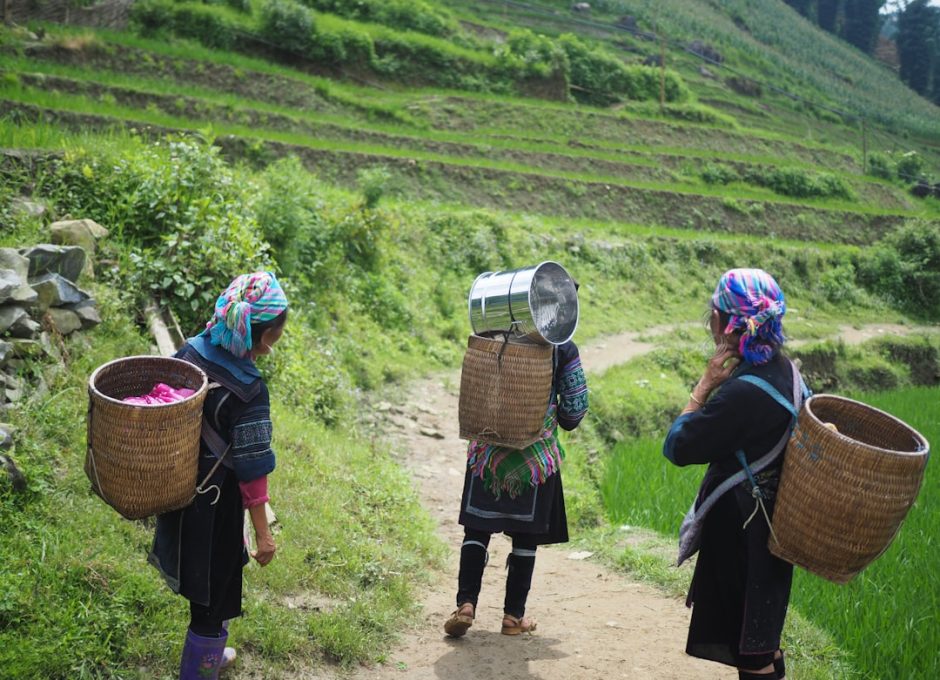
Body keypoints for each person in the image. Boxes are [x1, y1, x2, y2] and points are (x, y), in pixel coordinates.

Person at [662, 268, 808, 680]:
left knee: (753, 653)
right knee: (761, 638)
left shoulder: (741, 393)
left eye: (713, 313)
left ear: (727, 324)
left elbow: (678, 445)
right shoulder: (786, 372)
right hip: (770, 527)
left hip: (743, 537)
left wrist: (704, 384)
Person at [149, 271, 288, 680]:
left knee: (211, 585)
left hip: (179, 489)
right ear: (264, 337)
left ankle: (211, 655)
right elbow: (252, 471)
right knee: (213, 596)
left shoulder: (191, 350)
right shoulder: (250, 390)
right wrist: (263, 535)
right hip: (215, 505)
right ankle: (199, 670)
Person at [444, 338, 588, 637]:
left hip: (487, 452)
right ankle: (513, 617)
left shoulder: (490, 334)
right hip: (532, 457)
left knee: (477, 530)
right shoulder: (561, 347)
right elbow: (574, 410)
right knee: (526, 537)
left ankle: (466, 605)